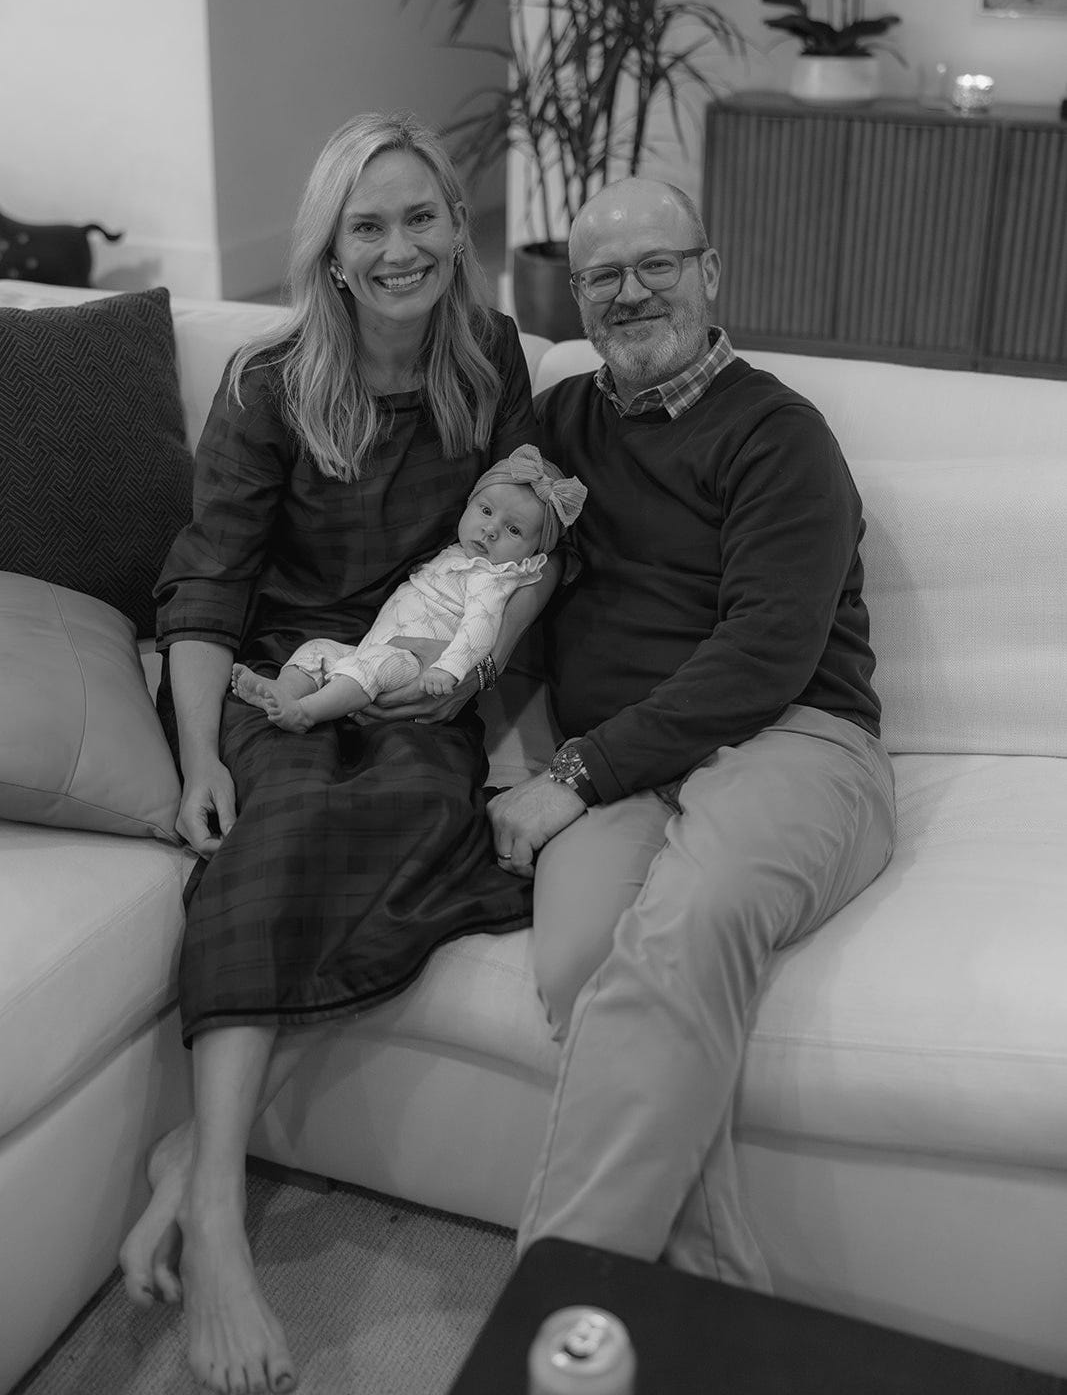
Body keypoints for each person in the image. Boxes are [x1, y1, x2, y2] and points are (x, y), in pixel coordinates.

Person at [119, 111, 560, 1395]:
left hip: (412, 676)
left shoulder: (491, 356)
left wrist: (469, 675)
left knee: (431, 819)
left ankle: (189, 1150)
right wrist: (201, 756)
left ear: (456, 230)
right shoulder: (268, 383)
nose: (397, 247)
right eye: (367, 225)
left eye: (420, 217)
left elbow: (530, 557)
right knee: (289, 823)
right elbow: (207, 580)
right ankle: (217, 1209)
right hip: (278, 667)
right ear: (328, 250)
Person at [488, 177, 896, 1291]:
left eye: (655, 265)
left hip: (793, 738)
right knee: (577, 960)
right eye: (601, 277)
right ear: (575, 297)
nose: (630, 293)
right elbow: (485, 541)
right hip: (625, 762)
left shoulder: (777, 434)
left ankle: (552, 1309)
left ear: (708, 273)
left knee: (692, 917)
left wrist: (576, 770)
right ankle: (711, 1304)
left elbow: (766, 652)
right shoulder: (559, 422)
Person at [231, 444, 586, 730]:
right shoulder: (458, 553)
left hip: (413, 665)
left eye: (514, 530)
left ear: (535, 552)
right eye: (486, 510)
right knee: (317, 649)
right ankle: (283, 692)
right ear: (469, 503)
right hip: (373, 651)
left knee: (373, 663)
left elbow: (479, 629)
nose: (491, 530)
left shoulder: (491, 578)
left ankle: (306, 713)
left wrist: (448, 669)